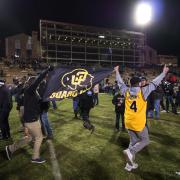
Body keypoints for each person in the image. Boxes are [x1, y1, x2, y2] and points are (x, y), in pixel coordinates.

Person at [114, 65, 169, 171]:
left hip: (128, 121)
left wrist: (116, 71)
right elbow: (155, 82)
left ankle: (129, 165)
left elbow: (120, 82)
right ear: (139, 83)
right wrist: (163, 73)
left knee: (133, 141)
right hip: (138, 122)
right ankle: (131, 152)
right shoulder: (143, 91)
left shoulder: (126, 91)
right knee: (145, 140)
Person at [5, 66, 53, 163]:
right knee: (39, 137)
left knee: (30, 138)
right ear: (33, 84)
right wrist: (47, 70)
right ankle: (35, 157)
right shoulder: (30, 90)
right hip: (32, 120)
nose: (38, 86)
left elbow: (38, 104)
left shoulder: (32, 92)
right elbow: (38, 80)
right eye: (37, 84)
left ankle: (10, 148)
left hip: (30, 119)